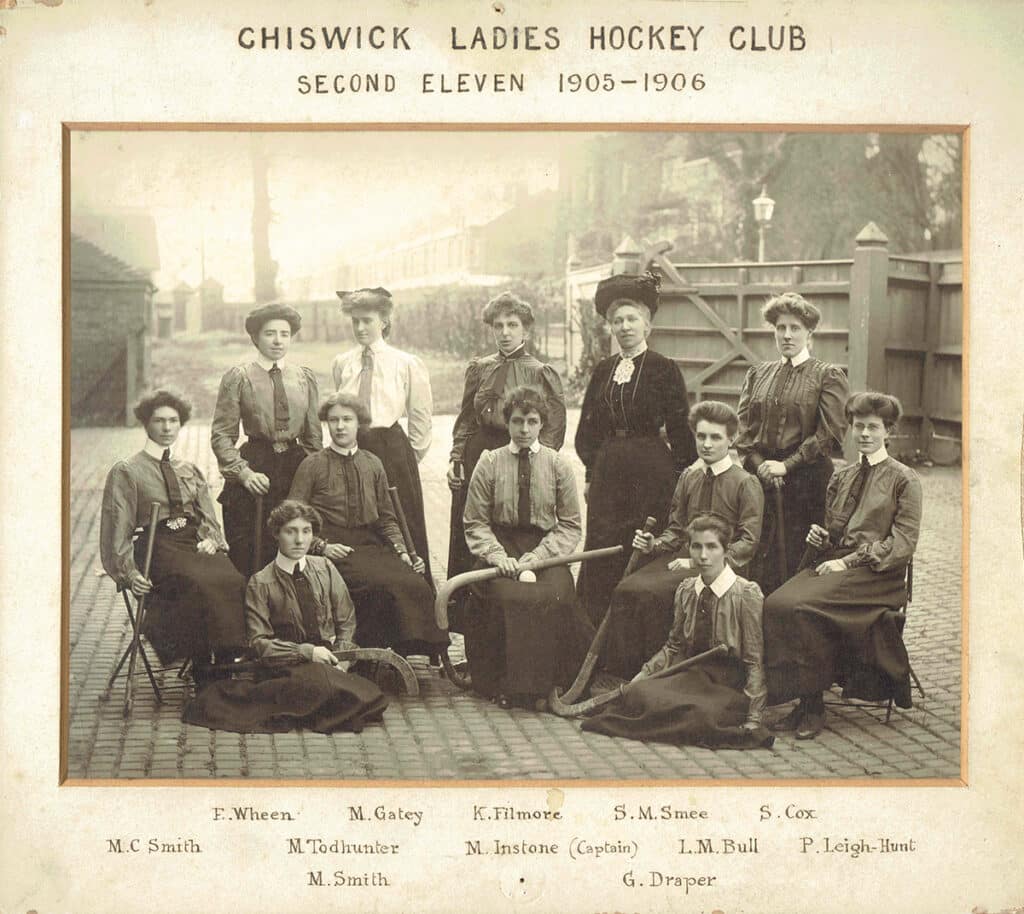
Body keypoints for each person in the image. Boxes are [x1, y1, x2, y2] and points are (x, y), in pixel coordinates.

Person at [763, 392, 922, 740]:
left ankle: (813, 706)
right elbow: (836, 531)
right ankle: (800, 699)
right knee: (775, 602)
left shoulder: (904, 480)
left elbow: (902, 545)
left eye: (873, 427)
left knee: (801, 607)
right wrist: (824, 538)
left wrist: (848, 560)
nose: (864, 433)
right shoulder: (842, 476)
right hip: (837, 566)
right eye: (858, 426)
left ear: (888, 431)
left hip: (877, 576)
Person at [182, 500, 389, 735]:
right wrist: (306, 652)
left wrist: (342, 660)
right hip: (286, 665)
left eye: (306, 531)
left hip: (328, 659)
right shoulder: (260, 582)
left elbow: (346, 620)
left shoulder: (326, 567)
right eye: (291, 532)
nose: (299, 540)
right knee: (327, 690)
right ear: (276, 534)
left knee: (371, 695)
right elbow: (259, 642)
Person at [601, 400, 765, 679]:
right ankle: (628, 673)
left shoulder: (745, 482)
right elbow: (676, 530)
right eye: (701, 436)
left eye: (716, 437)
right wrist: (654, 544)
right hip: (681, 559)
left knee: (652, 594)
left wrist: (698, 560)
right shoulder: (689, 477)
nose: (707, 444)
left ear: (732, 439)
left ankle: (662, 675)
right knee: (628, 588)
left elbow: (747, 543)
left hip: (722, 568)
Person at [582, 515, 773, 749]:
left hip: (727, 683)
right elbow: (673, 647)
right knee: (642, 695)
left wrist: (754, 718)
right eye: (696, 546)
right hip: (691, 674)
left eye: (712, 547)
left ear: (726, 550)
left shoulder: (745, 594)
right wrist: (640, 678)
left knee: (700, 714)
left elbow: (754, 661)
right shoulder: (686, 590)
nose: (703, 555)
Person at [574, 270, 697, 626]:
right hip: (608, 473)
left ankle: (635, 640)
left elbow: (680, 429)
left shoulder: (664, 369)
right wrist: (590, 473)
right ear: (610, 327)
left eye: (632, 319)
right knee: (602, 548)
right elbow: (588, 429)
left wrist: (677, 477)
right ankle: (596, 638)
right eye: (617, 321)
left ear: (646, 325)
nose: (625, 326)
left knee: (642, 548)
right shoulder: (602, 370)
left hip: (650, 472)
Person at [288, 392, 449, 659]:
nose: (340, 426)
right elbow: (293, 516)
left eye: (347, 420)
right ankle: (367, 655)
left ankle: (406, 649)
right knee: (378, 585)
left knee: (414, 582)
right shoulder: (312, 465)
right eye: (333, 420)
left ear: (359, 424)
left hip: (370, 544)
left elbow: (386, 517)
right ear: (326, 424)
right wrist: (321, 546)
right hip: (333, 546)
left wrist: (402, 552)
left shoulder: (373, 464)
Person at [100, 389, 247, 670]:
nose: (167, 428)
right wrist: (129, 573)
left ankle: (228, 659)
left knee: (232, 579)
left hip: (192, 543)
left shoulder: (188, 469)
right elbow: (116, 531)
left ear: (181, 424)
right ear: (146, 423)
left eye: (173, 421)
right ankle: (202, 663)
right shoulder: (127, 471)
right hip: (157, 545)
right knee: (196, 583)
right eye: (159, 421)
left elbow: (207, 517)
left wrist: (212, 540)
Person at [461, 386, 587, 709]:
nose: (525, 429)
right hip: (500, 548)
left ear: (542, 423)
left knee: (555, 592)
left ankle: (546, 684)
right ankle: (504, 684)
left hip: (544, 550)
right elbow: (474, 522)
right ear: (508, 423)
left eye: (532, 421)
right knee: (505, 595)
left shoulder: (558, 465)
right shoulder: (489, 463)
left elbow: (571, 524)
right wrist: (497, 556)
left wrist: (540, 557)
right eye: (518, 421)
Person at [447, 291, 566, 587]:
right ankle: (465, 602)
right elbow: (465, 418)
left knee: (510, 519)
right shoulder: (480, 368)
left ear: (525, 329)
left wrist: (538, 461)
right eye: (498, 326)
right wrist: (456, 457)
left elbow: (553, 426)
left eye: (512, 325)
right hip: (478, 450)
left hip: (518, 450)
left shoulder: (540, 372)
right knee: (472, 519)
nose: (505, 332)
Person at [735, 291, 849, 593]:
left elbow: (831, 433)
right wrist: (761, 467)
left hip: (807, 482)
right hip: (761, 481)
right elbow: (744, 431)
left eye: (795, 328)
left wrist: (786, 466)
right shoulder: (758, 373)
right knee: (760, 559)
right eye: (780, 328)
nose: (787, 335)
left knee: (799, 562)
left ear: (809, 333)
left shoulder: (828, 376)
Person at [211, 303, 322, 575]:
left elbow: (313, 435)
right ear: (255, 337)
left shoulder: (304, 377)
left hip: (295, 466)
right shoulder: (239, 377)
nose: (277, 340)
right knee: (253, 547)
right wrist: (245, 474)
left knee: (296, 540)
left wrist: (311, 472)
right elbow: (222, 436)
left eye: (284, 334)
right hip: (256, 464)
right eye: (270, 333)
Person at [332, 287, 434, 578]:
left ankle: (415, 594)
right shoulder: (343, 363)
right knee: (358, 520)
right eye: (355, 321)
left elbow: (420, 416)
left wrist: (409, 456)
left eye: (368, 320)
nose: (361, 327)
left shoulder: (405, 363)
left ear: (384, 322)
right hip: (353, 446)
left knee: (403, 521)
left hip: (391, 448)